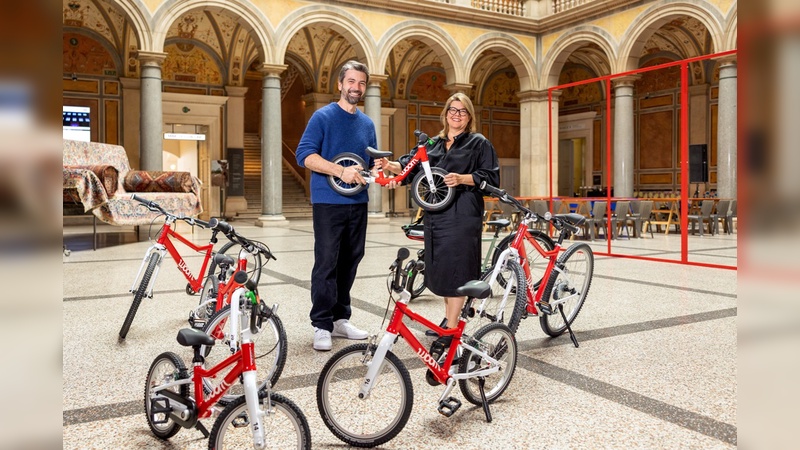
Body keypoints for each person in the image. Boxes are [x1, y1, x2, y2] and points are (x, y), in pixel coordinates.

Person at [375, 92, 500, 358]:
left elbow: (491, 178)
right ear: (445, 114)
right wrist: (390, 166)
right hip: (435, 217)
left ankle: (451, 330)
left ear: (469, 117)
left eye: (462, 111)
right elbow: (409, 168)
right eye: (452, 110)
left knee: (457, 273)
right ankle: (451, 321)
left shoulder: (479, 143)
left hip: (463, 215)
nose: (456, 115)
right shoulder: (432, 143)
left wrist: (463, 178)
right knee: (443, 273)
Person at [295, 60, 376, 351]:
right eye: (351, 82)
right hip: (328, 202)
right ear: (340, 84)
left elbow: (371, 162)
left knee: (351, 259)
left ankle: (341, 318)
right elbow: (304, 156)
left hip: (358, 200)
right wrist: (340, 171)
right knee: (327, 261)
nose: (356, 88)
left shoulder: (367, 124)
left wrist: (381, 170)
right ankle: (321, 323)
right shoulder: (322, 117)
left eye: (362, 83)